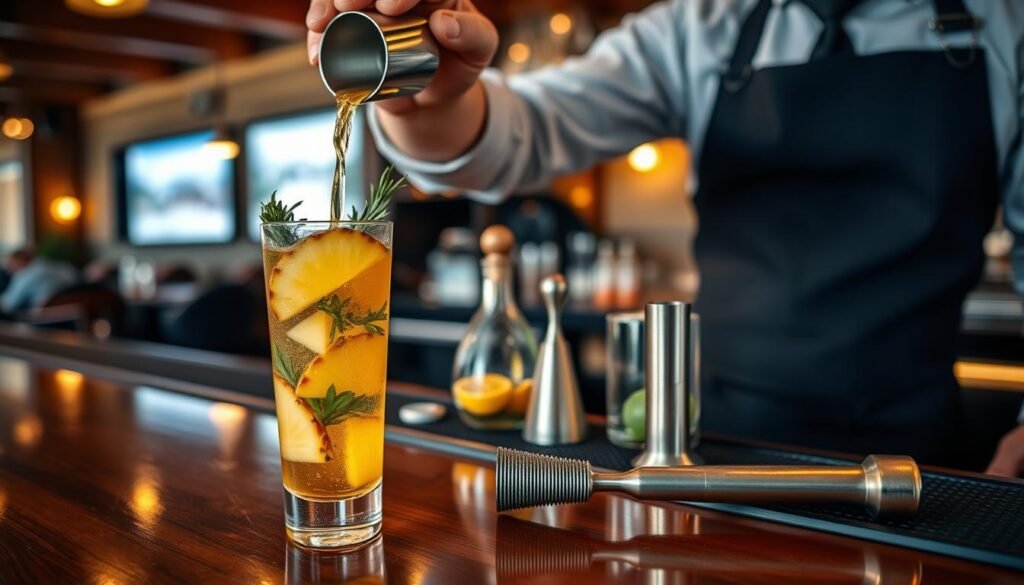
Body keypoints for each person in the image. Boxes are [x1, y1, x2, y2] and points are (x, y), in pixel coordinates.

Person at [306, 0, 1024, 474]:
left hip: (921, 451)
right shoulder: (700, 25)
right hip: (722, 440)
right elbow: (523, 134)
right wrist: (428, 99)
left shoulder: (1004, 24)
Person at [1, 247, 78, 315]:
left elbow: (8, 304)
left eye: (11, 264)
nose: (9, 269)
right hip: (74, 313)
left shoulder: (24, 275)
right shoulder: (60, 266)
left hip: (43, 320)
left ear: (19, 261)